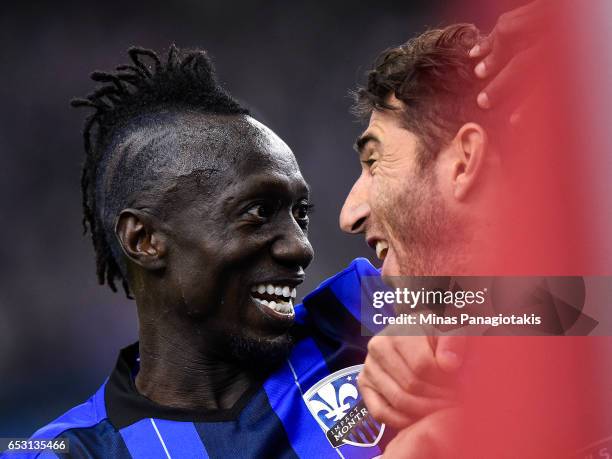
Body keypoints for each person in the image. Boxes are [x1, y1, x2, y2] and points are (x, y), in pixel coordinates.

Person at [13, 46, 392, 459]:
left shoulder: (362, 311)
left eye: (300, 214)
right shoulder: (66, 452)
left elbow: (473, 303)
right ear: (144, 240)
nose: (299, 246)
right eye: (258, 212)